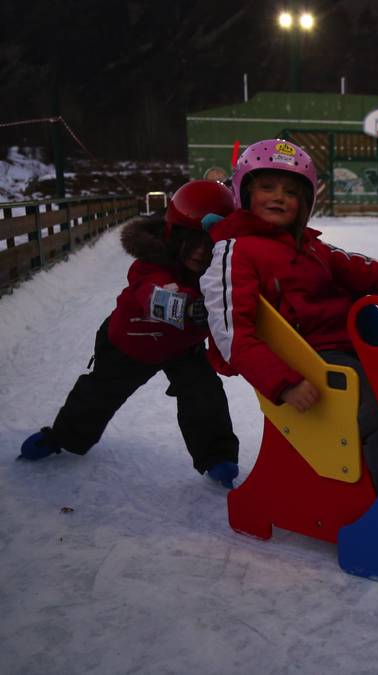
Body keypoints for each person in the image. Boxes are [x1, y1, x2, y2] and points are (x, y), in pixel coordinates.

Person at [200, 139, 378, 492]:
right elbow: (230, 331)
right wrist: (285, 382)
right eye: (266, 187)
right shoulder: (236, 250)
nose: (278, 197)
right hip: (309, 363)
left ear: (304, 203)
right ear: (245, 192)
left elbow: (365, 270)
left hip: (350, 349)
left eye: (291, 192)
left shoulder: (312, 247)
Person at [20, 180, 241, 489]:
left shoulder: (221, 273)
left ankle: (217, 456)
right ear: (173, 235)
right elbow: (153, 295)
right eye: (192, 240)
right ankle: (62, 437)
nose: (202, 250)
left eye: (210, 241)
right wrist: (191, 308)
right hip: (129, 343)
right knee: (97, 395)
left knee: (204, 395)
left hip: (182, 347)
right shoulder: (150, 265)